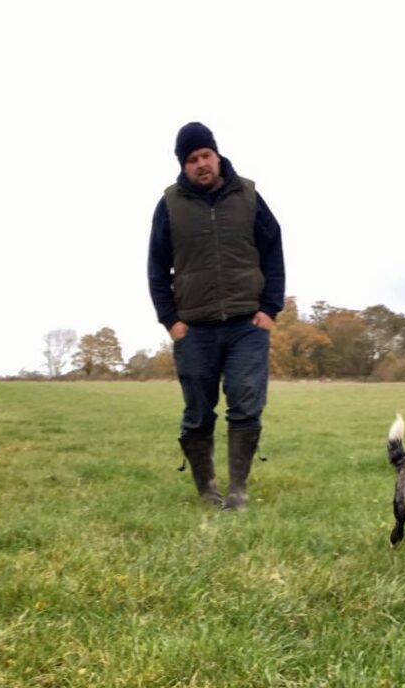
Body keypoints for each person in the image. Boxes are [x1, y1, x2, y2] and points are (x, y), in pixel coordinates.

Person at [147, 121, 285, 509]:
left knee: (246, 403)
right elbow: (156, 267)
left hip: (247, 325)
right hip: (194, 328)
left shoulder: (249, 196)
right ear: (183, 165)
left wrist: (269, 308)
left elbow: (273, 251)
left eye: (205, 155)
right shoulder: (169, 205)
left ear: (217, 155)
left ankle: (237, 490)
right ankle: (207, 489)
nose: (201, 164)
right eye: (192, 159)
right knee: (197, 411)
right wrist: (171, 321)